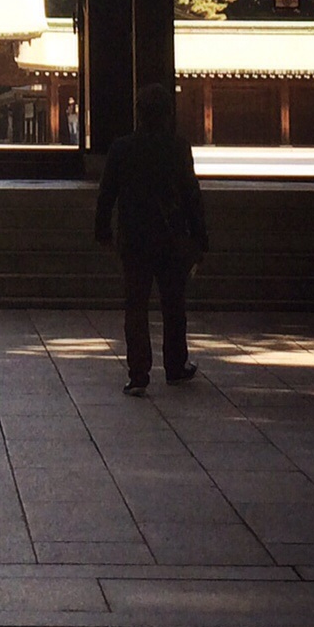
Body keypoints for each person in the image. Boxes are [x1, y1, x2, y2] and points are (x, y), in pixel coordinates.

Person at [96, 84, 208, 396]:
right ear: (168, 115)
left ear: (139, 114)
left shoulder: (122, 148)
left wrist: (103, 231)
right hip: (171, 237)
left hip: (134, 238)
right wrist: (200, 236)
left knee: (136, 306)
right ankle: (175, 365)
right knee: (174, 305)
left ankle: (138, 373)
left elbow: (107, 193)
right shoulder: (178, 147)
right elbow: (191, 194)